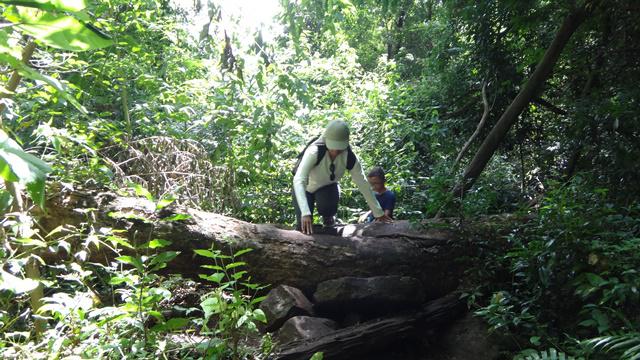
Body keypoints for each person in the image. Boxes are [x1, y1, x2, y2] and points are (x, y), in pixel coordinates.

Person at [293, 120, 392, 234]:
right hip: (304, 188)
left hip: (326, 188)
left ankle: (328, 218)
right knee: (303, 228)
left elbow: (362, 183)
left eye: (339, 149)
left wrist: (378, 213)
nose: (335, 152)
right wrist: (305, 213)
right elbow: (299, 180)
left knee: (328, 217)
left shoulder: (349, 156)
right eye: (332, 147)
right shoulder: (314, 151)